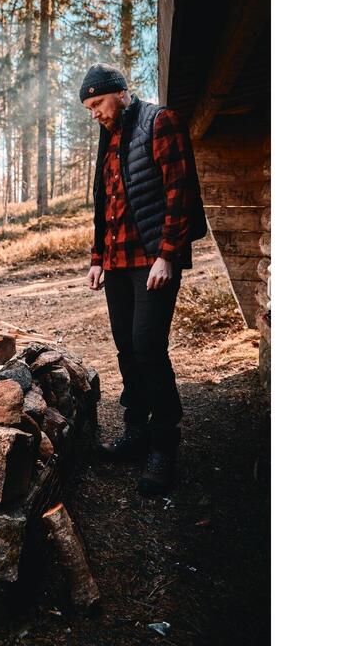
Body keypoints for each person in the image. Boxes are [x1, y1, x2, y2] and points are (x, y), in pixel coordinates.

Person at [80, 63, 206, 496]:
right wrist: (98, 256)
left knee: (148, 346)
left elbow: (179, 191)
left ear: (119, 92)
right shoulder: (108, 136)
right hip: (116, 262)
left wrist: (168, 254)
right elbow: (105, 203)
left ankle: (164, 444)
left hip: (153, 260)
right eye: (88, 108)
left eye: (97, 103)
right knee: (126, 347)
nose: (93, 113)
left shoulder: (161, 120)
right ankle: (136, 429)